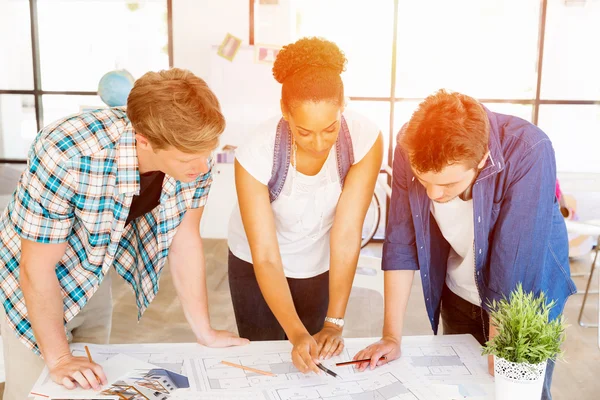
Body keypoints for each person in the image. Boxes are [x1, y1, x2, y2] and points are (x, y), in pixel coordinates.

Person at [0, 68, 248, 400]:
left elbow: (185, 240)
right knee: (36, 390)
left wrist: (204, 332)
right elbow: (36, 266)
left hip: (94, 267)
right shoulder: (67, 152)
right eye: (189, 158)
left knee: (91, 387)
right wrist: (59, 358)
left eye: (207, 154)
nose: (203, 168)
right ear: (144, 140)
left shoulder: (193, 154)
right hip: (28, 279)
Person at [354, 90, 576, 400]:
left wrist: (501, 350)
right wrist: (391, 337)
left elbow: (514, 262)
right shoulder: (410, 143)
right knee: (461, 390)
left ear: (483, 159)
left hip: (524, 300)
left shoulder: (529, 149)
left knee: (514, 392)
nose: (432, 194)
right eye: (423, 179)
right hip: (459, 288)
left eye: (447, 184)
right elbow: (401, 241)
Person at [227, 37, 383, 374]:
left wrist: (334, 322)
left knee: (314, 363)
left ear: (344, 105)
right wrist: (295, 332)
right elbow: (265, 254)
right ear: (285, 112)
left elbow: (346, 232)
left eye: (329, 129)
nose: (318, 143)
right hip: (257, 266)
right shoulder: (256, 151)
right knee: (266, 365)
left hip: (319, 263)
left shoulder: (365, 138)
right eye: (304, 132)